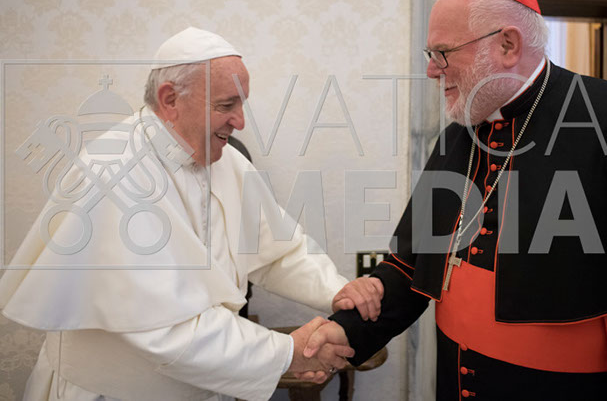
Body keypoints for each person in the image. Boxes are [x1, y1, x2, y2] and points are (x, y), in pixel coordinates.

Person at [305, 0, 607, 400]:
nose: (431, 70)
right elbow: (412, 266)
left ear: (508, 45)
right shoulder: (459, 134)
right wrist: (344, 332)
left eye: (442, 53)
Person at [0, 27, 380, 401]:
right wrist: (286, 353)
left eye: (241, 104)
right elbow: (165, 327)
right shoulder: (113, 172)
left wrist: (335, 290)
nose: (240, 121)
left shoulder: (224, 159)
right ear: (170, 99)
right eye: (226, 105)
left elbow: (277, 249)